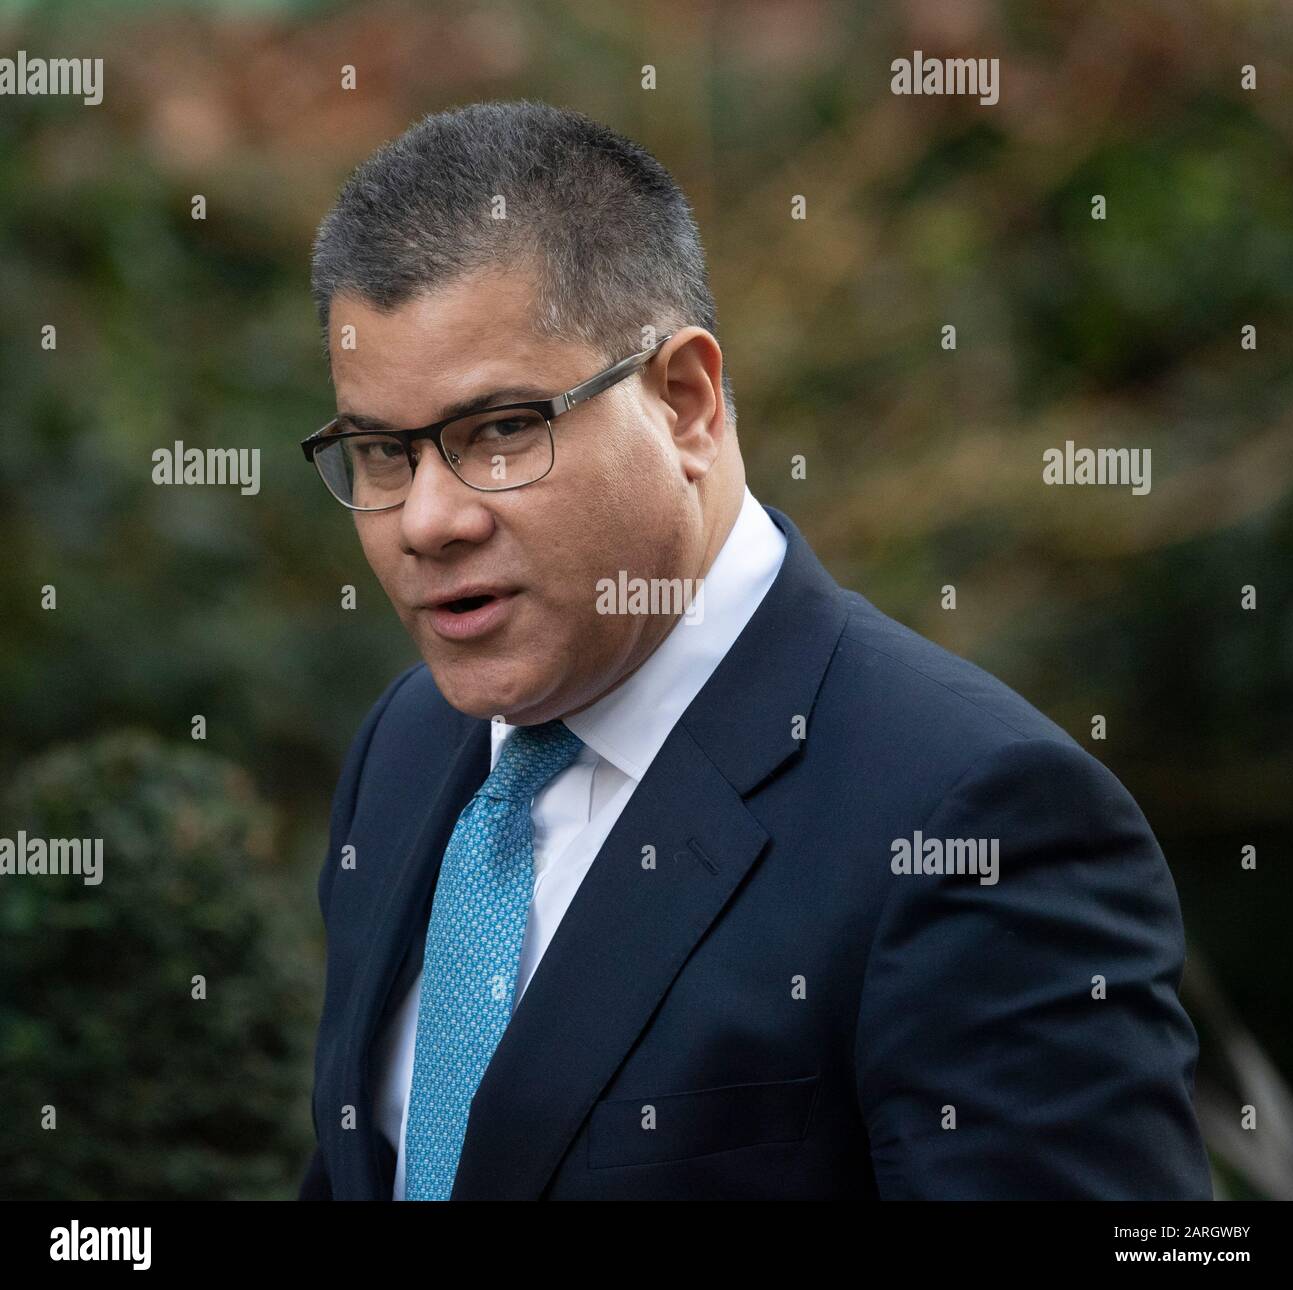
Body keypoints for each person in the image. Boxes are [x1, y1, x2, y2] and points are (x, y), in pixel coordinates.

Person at [296, 99, 1212, 1201]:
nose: (426, 519)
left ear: (684, 401)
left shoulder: (972, 819)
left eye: (498, 432)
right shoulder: (405, 748)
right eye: (381, 452)